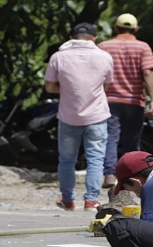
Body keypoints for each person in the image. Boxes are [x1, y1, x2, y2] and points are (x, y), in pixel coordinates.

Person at [44, 22, 113, 211]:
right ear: (94, 38)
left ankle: (67, 200)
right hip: (97, 116)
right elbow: (106, 86)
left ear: (71, 38)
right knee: (96, 159)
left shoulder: (58, 57)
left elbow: (49, 87)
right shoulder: (104, 57)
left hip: (68, 117)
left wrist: (65, 89)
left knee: (66, 160)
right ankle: (91, 200)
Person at [98, 13, 153, 189]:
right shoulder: (143, 47)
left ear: (116, 28)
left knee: (110, 138)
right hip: (134, 101)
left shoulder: (104, 46)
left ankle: (110, 174)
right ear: (136, 29)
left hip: (109, 100)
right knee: (132, 140)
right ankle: (133, 175)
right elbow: (148, 72)